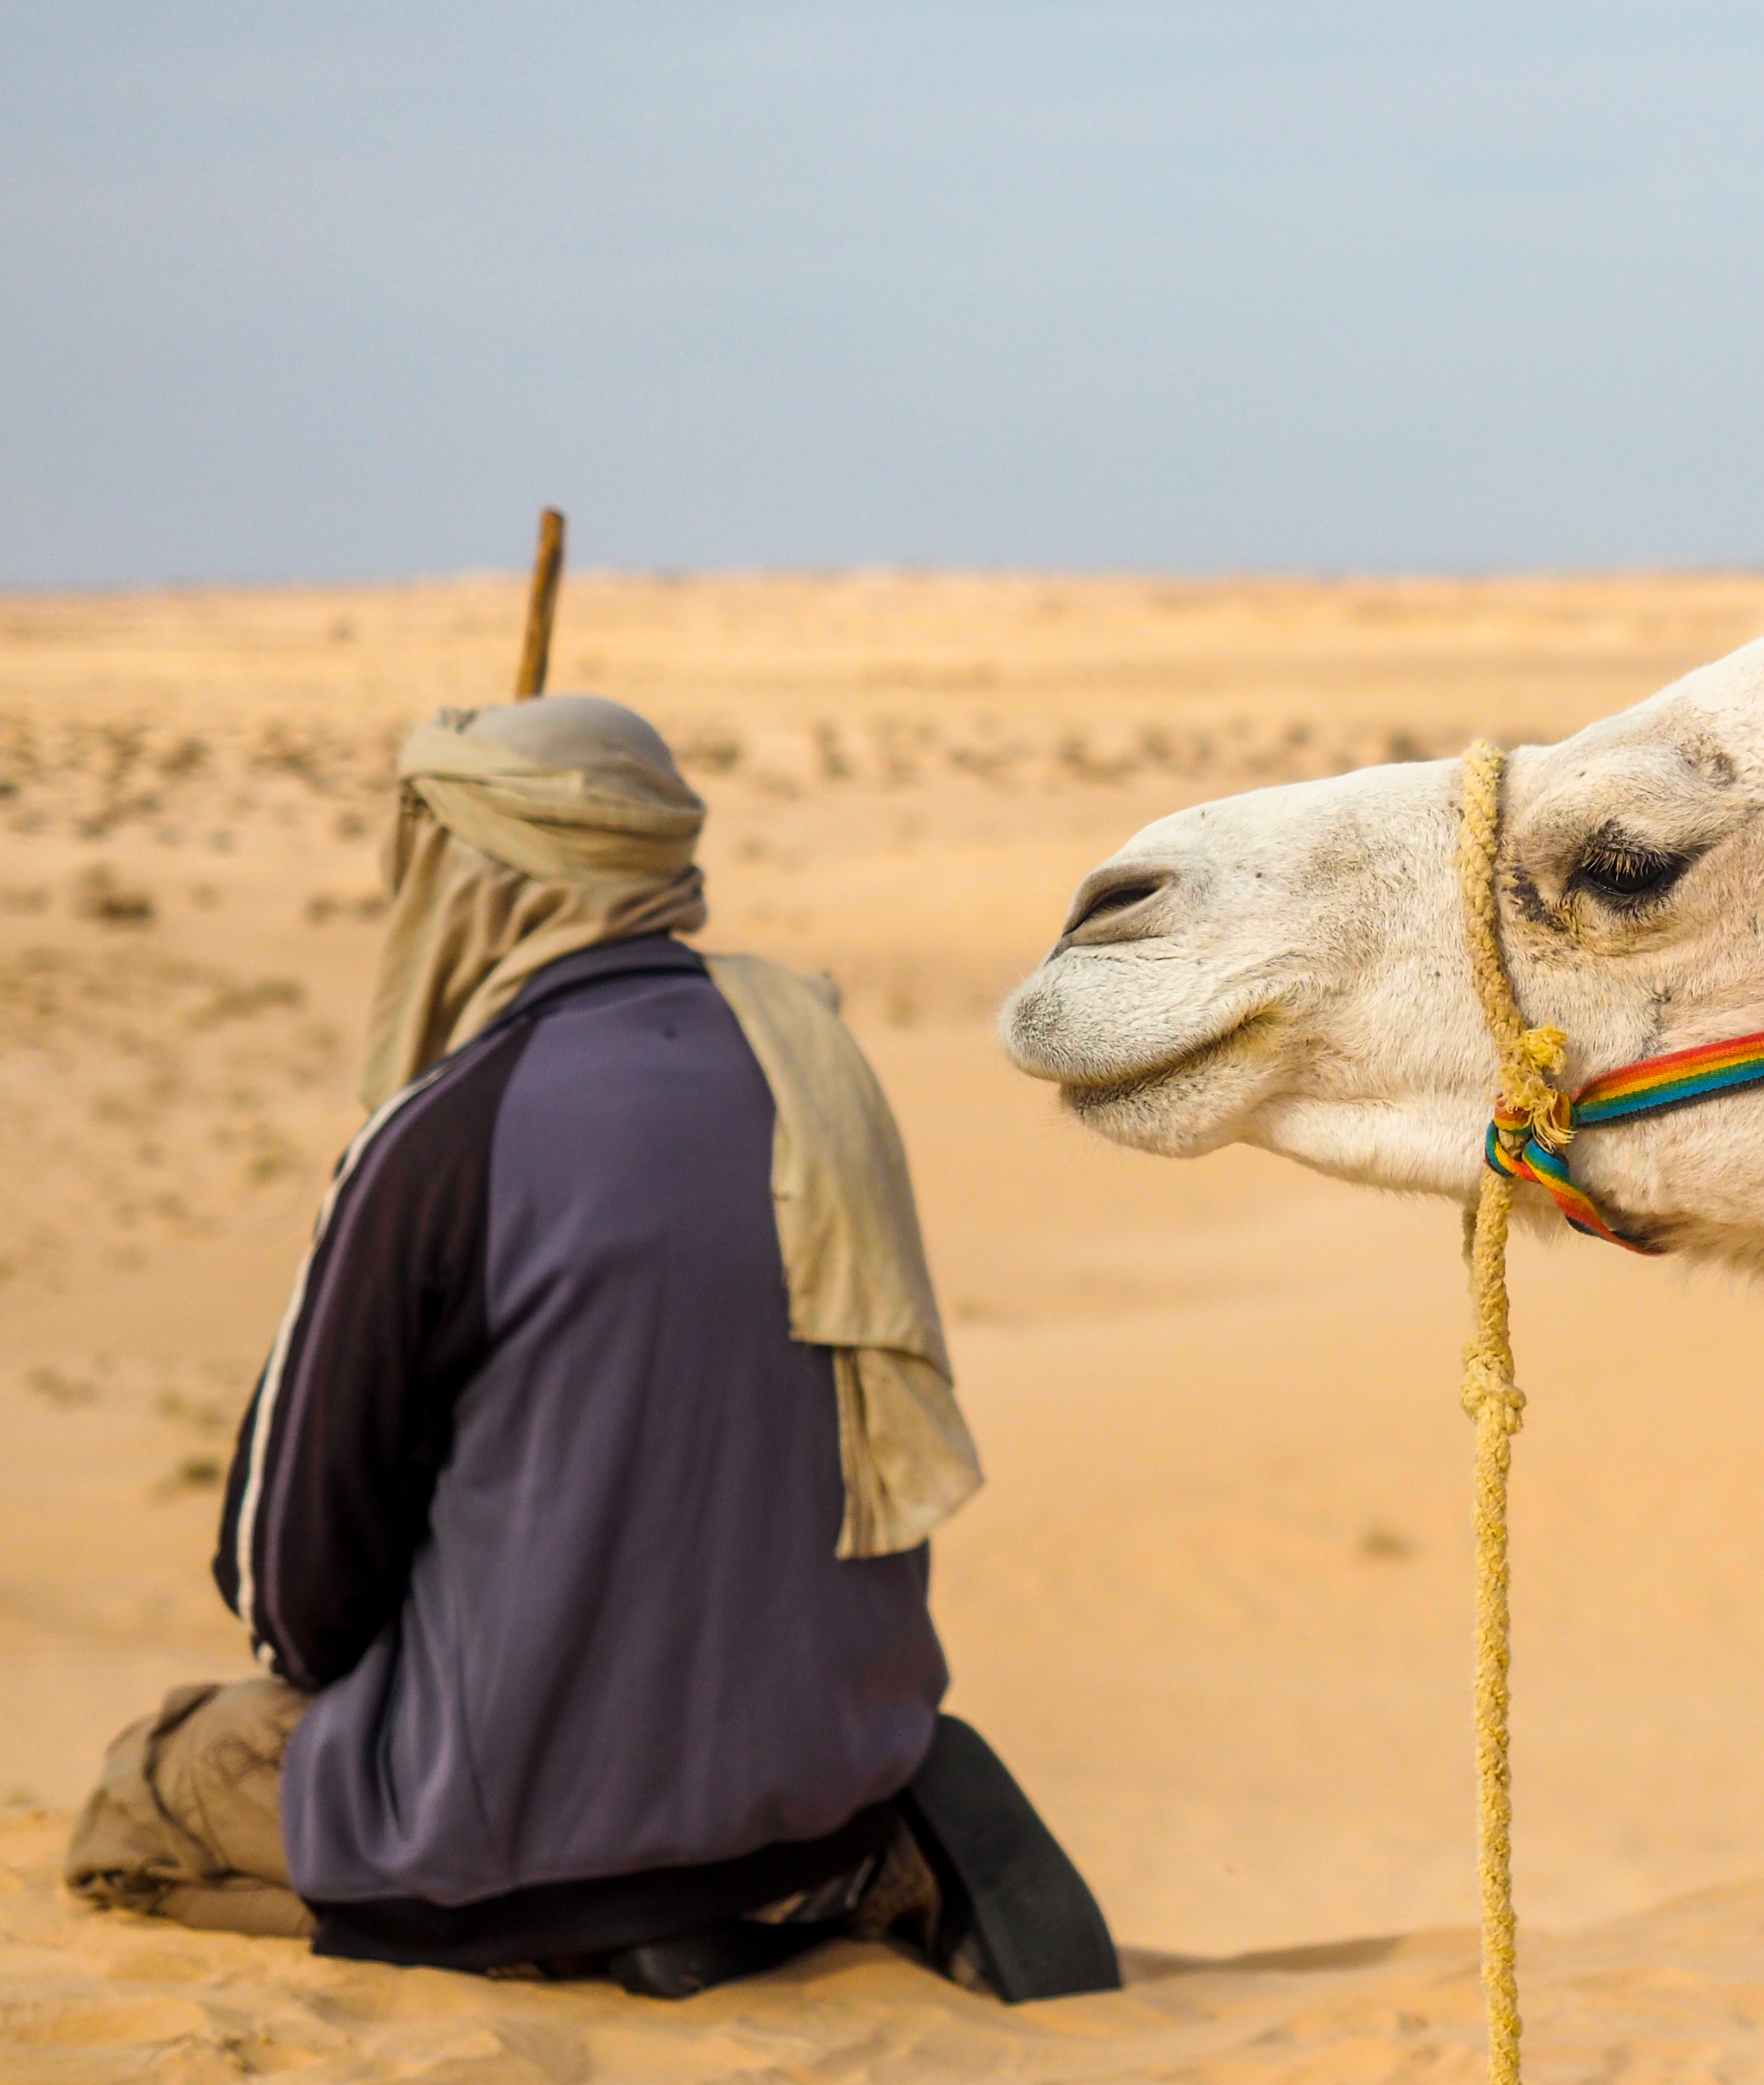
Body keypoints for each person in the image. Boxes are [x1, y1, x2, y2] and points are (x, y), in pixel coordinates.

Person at [64, 696, 1109, 1999]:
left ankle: (537, 1938)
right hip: (824, 1784)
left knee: (146, 1793)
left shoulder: (445, 1136)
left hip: (520, 1822)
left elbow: (291, 1605)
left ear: (480, 883)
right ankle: (822, 1874)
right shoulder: (813, 1069)